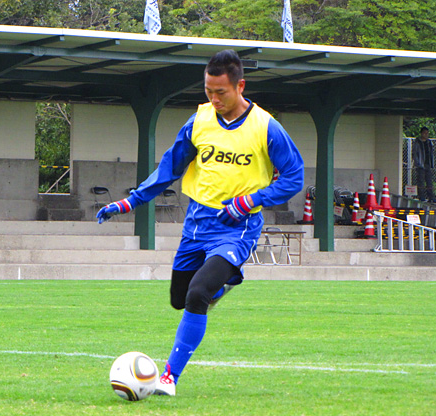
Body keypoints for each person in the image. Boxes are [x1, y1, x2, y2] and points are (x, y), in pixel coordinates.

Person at [97, 50, 304, 396]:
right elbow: (170, 167)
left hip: (237, 227)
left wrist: (250, 200)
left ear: (240, 86)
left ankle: (169, 378)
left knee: (197, 294)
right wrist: (131, 200)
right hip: (195, 225)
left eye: (220, 92)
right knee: (180, 299)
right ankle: (221, 285)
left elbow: (294, 177)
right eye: (208, 91)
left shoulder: (266, 127)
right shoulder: (199, 121)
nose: (214, 99)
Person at [412, 127, 435, 202]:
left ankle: (431, 197)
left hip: (428, 164)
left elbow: (432, 153)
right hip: (420, 164)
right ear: (421, 133)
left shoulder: (429, 142)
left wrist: (432, 163)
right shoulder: (417, 142)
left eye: (427, 133)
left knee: (429, 181)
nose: (426, 135)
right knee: (421, 181)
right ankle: (421, 196)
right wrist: (417, 163)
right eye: (425, 133)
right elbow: (415, 153)